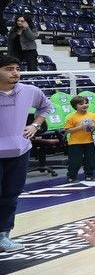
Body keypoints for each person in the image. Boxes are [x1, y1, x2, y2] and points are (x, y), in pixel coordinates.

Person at [0, 55, 50, 249]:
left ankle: (3, 235)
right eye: (9, 69)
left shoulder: (30, 91)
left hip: (19, 152)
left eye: (17, 68)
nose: (15, 73)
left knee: (11, 196)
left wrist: (35, 125)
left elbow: (46, 106)